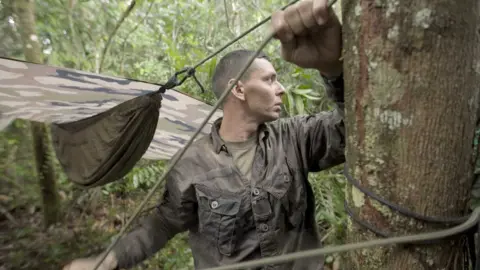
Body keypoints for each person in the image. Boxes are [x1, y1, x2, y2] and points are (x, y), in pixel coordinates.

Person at [63, 0, 344, 269]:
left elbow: (349, 132)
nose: (281, 88)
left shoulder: (295, 137)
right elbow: (163, 223)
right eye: (270, 80)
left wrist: (332, 69)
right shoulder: (191, 163)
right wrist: (111, 260)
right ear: (238, 89)